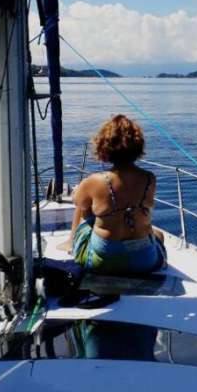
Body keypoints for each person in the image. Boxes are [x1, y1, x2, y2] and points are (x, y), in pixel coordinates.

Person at [70, 114, 166, 275]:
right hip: (144, 261)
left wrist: (79, 191)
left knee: (83, 207)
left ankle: (71, 243)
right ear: (138, 146)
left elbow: (77, 201)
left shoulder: (94, 181)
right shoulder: (150, 179)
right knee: (158, 235)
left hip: (103, 260)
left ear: (103, 146)